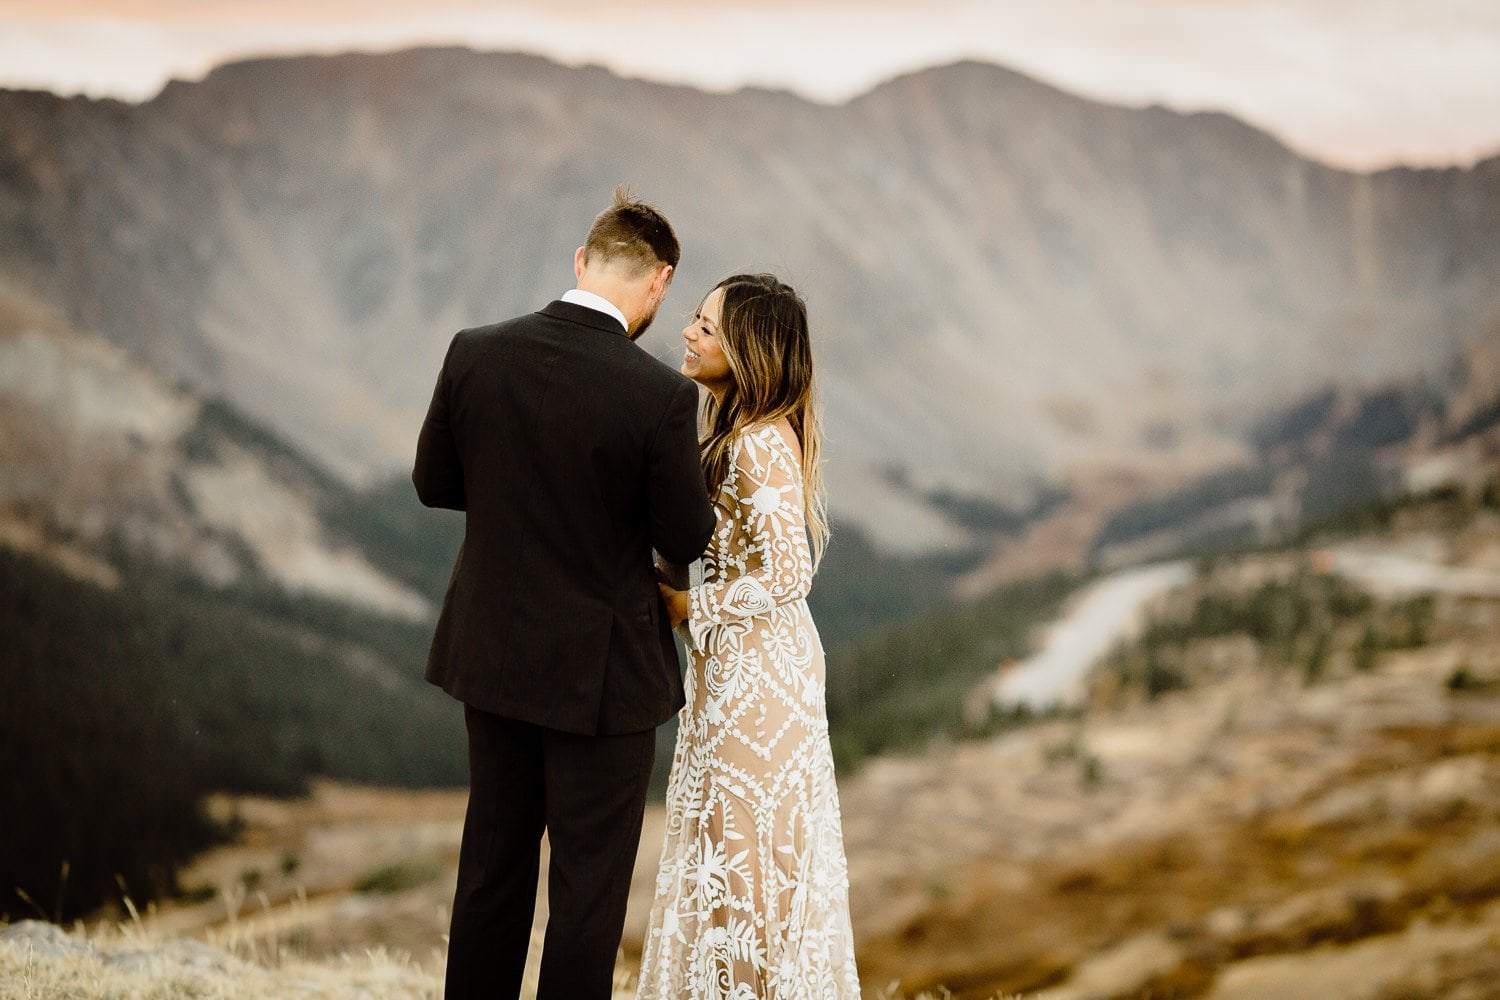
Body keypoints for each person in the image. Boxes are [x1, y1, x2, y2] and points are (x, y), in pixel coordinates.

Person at [411, 186, 716, 999]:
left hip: (494, 655)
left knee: (491, 872)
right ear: (659, 283)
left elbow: (433, 482)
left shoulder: (474, 350)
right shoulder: (660, 396)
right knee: (586, 896)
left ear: (580, 261)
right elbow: (687, 538)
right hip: (602, 682)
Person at [638, 273, 861, 998]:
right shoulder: (734, 431)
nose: (688, 333)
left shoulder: (761, 443)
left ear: (749, 349)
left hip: (760, 676)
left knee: (748, 873)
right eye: (694, 320)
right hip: (733, 670)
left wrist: (687, 608)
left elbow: (789, 572)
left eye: (706, 326)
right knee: (728, 863)